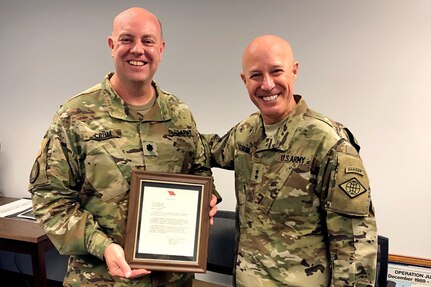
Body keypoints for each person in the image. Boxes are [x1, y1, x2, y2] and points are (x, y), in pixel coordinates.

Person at [28, 7, 219, 287]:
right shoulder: (76, 115)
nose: (138, 50)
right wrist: (102, 245)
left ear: (161, 49)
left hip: (172, 280)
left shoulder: (179, 113)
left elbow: (199, 171)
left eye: (148, 41)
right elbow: (49, 199)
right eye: (127, 39)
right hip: (101, 279)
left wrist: (207, 198)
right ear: (112, 45)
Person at [206, 35, 377, 286]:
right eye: (256, 75)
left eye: (276, 71)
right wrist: (206, 187)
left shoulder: (329, 144)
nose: (267, 84)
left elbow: (355, 248)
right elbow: (205, 150)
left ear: (294, 71)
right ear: (244, 80)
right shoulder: (248, 131)